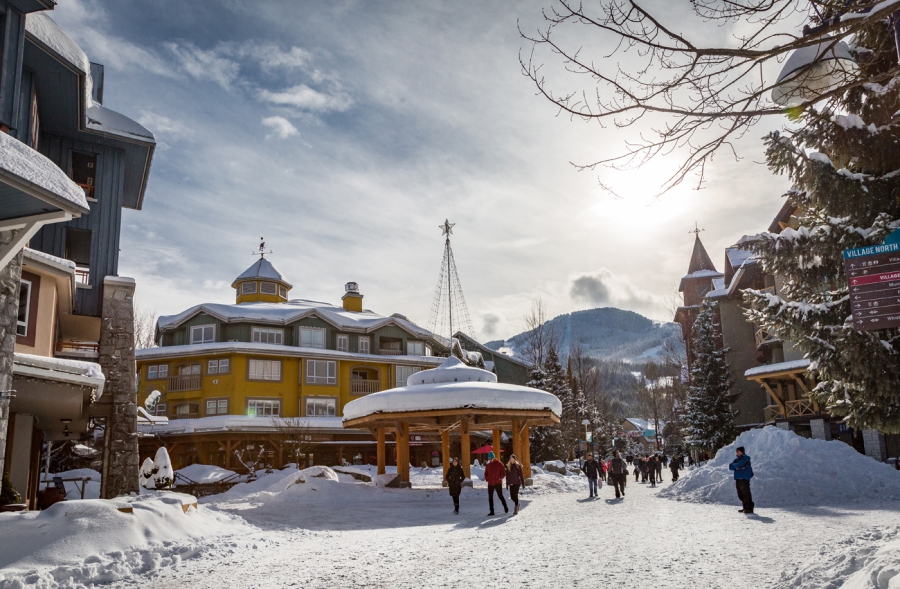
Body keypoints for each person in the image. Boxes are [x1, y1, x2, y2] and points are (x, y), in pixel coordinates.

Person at [729, 446, 754, 514]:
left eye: (738, 451)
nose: (736, 452)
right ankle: (745, 507)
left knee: (746, 493)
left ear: (742, 451)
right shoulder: (736, 460)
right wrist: (738, 467)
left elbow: (738, 465)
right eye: (736, 451)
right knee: (740, 494)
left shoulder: (746, 458)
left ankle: (749, 508)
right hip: (738, 478)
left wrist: (736, 467)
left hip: (744, 477)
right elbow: (730, 466)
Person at [484, 451, 509, 515]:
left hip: (498, 482)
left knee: (500, 496)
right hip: (490, 483)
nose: (490, 460)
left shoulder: (499, 464)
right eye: (489, 459)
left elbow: (504, 473)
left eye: (491, 458)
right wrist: (487, 479)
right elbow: (485, 473)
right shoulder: (488, 465)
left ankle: (505, 507)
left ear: (494, 457)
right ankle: (492, 511)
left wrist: (500, 478)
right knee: (490, 497)